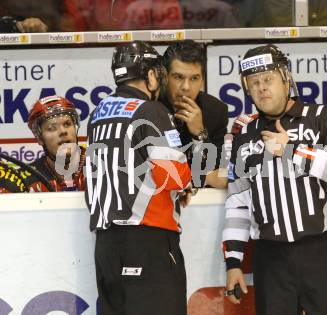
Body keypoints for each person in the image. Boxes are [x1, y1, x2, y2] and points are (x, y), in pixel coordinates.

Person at [222, 44, 327, 315]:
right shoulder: (244, 136)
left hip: (322, 251)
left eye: (268, 79)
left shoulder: (323, 117)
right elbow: (237, 204)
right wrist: (233, 262)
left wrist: (293, 150)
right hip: (271, 259)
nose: (261, 88)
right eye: (254, 83)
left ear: (286, 78)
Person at [84, 41, 192, 315]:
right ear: (150, 74)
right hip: (147, 240)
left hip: (106, 247)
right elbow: (174, 178)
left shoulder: (97, 115)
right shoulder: (151, 110)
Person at [161, 39, 229, 189]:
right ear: (164, 77)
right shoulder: (148, 107)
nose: (186, 87)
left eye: (194, 78)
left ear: (202, 80)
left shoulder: (215, 111)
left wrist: (200, 134)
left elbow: (217, 173)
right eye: (178, 77)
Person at [27, 95, 86, 192]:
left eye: (67, 124)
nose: (63, 131)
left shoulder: (99, 164)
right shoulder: (28, 178)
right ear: (40, 138)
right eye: (52, 128)